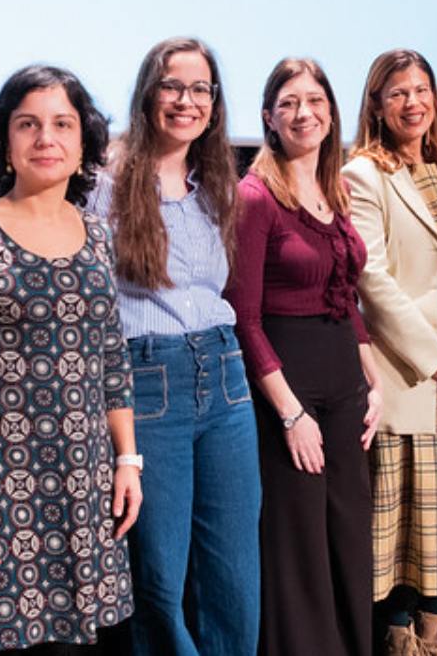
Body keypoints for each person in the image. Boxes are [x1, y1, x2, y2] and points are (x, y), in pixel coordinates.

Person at [0, 65, 141, 653]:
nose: (46, 138)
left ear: (83, 145)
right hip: (1, 483)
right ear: (5, 143)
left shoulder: (98, 235)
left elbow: (110, 358)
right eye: (28, 124)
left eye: (62, 125)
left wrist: (129, 461)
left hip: (86, 479)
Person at [83, 37, 260, 656]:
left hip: (225, 373)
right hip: (150, 380)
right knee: (158, 578)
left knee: (236, 577)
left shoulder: (215, 185)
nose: (187, 100)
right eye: (172, 86)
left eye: (200, 89)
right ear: (148, 94)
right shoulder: (105, 187)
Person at [224, 58, 383, 656]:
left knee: (346, 535)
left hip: (345, 384)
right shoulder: (255, 197)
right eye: (288, 102)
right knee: (299, 549)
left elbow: (345, 295)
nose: (303, 112)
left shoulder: (334, 190)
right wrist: (291, 414)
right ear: (268, 117)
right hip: (286, 388)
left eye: (314, 100)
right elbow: (243, 316)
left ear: (331, 112)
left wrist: (374, 379)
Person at [341, 49, 437, 656]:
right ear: (377, 105)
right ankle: (401, 634)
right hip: (411, 366)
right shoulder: (362, 174)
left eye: (421, 89)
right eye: (398, 92)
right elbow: (371, 279)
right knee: (410, 516)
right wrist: (435, 357)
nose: (413, 102)